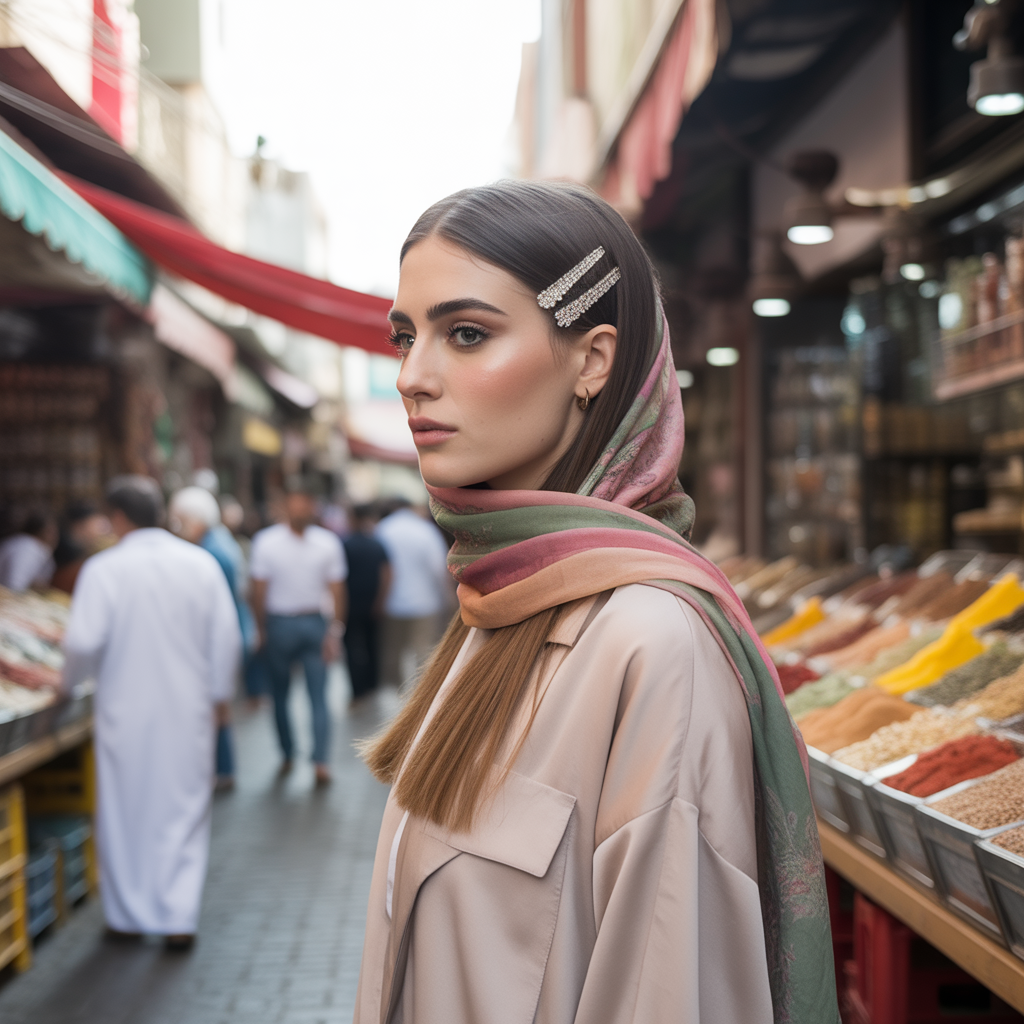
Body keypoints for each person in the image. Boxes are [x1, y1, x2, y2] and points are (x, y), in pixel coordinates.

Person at [354, 181, 839, 1024]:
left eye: (466, 334)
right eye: (406, 336)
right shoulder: (502, 601)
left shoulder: (651, 644)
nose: (413, 378)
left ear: (594, 360)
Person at [61, 476, 240, 949]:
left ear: (118, 518)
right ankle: (178, 917)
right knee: (183, 809)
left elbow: (81, 641)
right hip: (189, 710)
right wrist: (220, 696)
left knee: (124, 810)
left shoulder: (104, 568)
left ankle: (127, 916)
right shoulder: (199, 564)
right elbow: (225, 639)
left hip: (124, 709)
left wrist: (67, 686)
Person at [250, 487, 347, 786]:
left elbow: (258, 591)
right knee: (295, 695)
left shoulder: (268, 542)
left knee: (305, 695)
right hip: (296, 623)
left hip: (299, 623)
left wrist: (335, 630)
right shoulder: (322, 542)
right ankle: (309, 758)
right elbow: (259, 592)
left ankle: (304, 757)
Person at [169, 486, 253, 792]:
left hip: (221, 639)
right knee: (218, 708)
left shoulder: (211, 552)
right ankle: (223, 769)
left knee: (216, 708)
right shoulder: (218, 544)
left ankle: (221, 770)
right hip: (230, 635)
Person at [374, 498, 450, 688]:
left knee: (393, 652)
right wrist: (446, 597)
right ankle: (420, 693)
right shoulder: (425, 530)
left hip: (391, 603)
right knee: (423, 651)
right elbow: (438, 568)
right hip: (425, 602)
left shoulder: (382, 529)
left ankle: (396, 692)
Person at [342, 504, 391, 709]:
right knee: (373, 645)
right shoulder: (377, 543)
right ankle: (372, 685)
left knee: (351, 648)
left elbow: (338, 579)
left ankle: (357, 692)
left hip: (350, 605)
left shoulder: (345, 544)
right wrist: (381, 601)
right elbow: (387, 574)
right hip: (373, 604)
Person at [0, 512, 58, 591]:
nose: (55, 537)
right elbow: (13, 585)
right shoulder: (27, 548)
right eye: (52, 532)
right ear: (45, 531)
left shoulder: (29, 545)